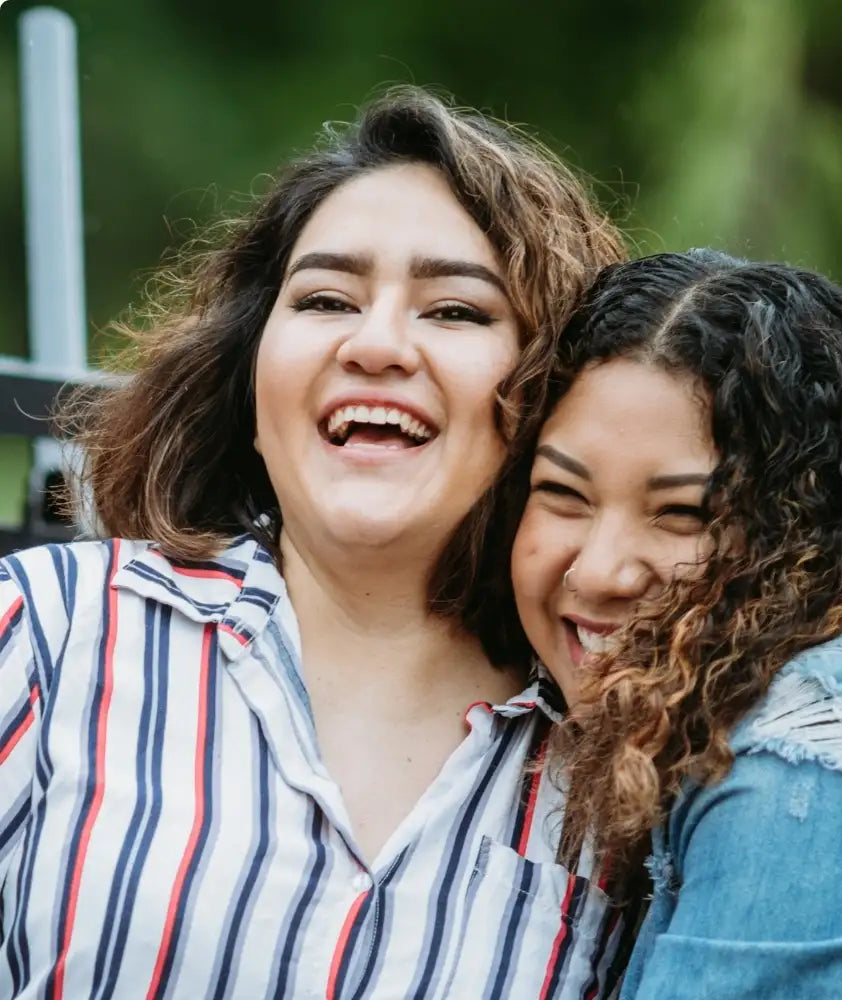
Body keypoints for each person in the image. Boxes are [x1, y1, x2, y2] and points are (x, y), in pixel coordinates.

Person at [0, 88, 633, 998]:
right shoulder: (48, 635)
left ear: (554, 400)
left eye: (454, 311)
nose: (376, 346)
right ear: (251, 381)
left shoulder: (626, 775)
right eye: (327, 298)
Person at [511, 250, 842, 999]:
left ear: (815, 527)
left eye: (684, 514)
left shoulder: (819, 748)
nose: (600, 571)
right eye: (563, 493)